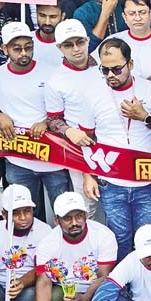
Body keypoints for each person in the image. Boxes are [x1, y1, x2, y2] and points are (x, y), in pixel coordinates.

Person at [80, 38, 151, 261]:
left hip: (146, 178)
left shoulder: (150, 89)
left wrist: (144, 117)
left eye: (116, 69)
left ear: (130, 64)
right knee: (120, 238)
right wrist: (87, 175)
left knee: (147, 237)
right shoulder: (92, 93)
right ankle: (121, 280)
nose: (110, 75)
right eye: (104, 70)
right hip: (111, 179)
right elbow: (86, 138)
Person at [0, 22, 71, 215]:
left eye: (28, 47)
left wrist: (46, 122)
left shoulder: (51, 73)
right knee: (24, 215)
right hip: (18, 158)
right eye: (17, 49)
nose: (24, 53)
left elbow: (65, 109)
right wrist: (0, 116)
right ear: (5, 49)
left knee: (64, 211)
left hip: (53, 155)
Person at [34, 192, 117, 301]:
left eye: (79, 216)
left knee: (101, 297)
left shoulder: (103, 235)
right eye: (67, 218)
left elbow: (104, 276)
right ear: (57, 220)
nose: (74, 223)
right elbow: (44, 282)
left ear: (86, 215)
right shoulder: (48, 242)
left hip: (94, 287)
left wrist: (84, 298)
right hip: (63, 289)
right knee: (48, 300)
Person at [45, 19, 102, 217]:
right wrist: (69, 131)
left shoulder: (105, 66)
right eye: (69, 45)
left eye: (80, 42)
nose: (76, 49)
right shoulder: (55, 80)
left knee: (116, 199)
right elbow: (53, 119)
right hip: (80, 146)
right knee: (87, 204)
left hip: (112, 141)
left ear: (88, 41)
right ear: (59, 48)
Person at [107, 0, 151, 64]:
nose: (138, 18)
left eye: (142, 13)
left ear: (150, 13)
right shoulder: (112, 42)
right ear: (124, 16)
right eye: (131, 13)